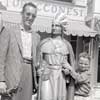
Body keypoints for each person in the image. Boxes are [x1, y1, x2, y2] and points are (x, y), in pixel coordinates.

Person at [0, 2, 40, 100]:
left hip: (29, 75)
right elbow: (1, 58)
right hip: (11, 75)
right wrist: (1, 81)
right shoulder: (8, 31)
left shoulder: (37, 37)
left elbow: (38, 61)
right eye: (28, 14)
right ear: (22, 13)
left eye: (33, 16)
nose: (30, 18)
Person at [37, 14, 75, 100]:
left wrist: (68, 71)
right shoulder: (44, 43)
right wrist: (39, 69)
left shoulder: (67, 45)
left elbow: (69, 64)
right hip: (46, 75)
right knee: (45, 97)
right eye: (52, 25)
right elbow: (38, 61)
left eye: (57, 25)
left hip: (60, 77)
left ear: (62, 28)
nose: (54, 27)